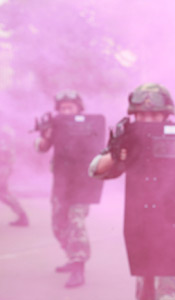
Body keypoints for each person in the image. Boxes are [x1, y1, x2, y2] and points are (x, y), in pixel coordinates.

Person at [88, 83, 175, 300]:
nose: (147, 120)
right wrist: (117, 154)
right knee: (145, 286)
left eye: (154, 115)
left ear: (166, 115)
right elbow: (95, 169)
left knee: (168, 287)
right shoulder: (128, 139)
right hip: (142, 223)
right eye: (142, 115)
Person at [35, 90, 97, 288]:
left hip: (83, 182)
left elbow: (100, 147)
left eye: (70, 107)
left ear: (79, 108)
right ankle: (72, 257)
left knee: (76, 221)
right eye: (62, 108)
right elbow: (41, 147)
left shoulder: (91, 125)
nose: (66, 110)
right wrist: (46, 134)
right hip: (61, 182)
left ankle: (78, 267)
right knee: (58, 225)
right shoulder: (56, 126)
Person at [0, 124, 29, 227]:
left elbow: (4, 151)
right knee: (3, 193)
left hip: (3, 166)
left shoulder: (4, 131)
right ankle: (22, 215)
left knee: (3, 192)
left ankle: (22, 216)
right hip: (5, 165)